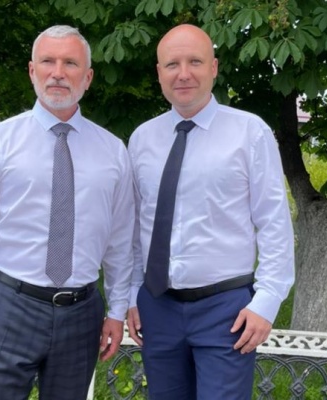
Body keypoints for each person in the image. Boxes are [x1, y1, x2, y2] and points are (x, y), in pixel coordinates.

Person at [0, 25, 135, 400]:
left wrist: (117, 310)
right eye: (48, 61)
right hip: (8, 307)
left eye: (70, 63)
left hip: (82, 313)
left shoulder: (113, 152)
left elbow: (121, 240)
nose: (58, 72)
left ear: (88, 77)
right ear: (32, 71)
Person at [126, 24, 295, 400]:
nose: (183, 73)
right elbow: (136, 227)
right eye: (172, 64)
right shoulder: (142, 139)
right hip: (158, 307)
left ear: (214, 67)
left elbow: (273, 222)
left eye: (195, 62)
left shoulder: (250, 132)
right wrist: (131, 295)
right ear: (159, 73)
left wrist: (267, 301)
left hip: (227, 310)